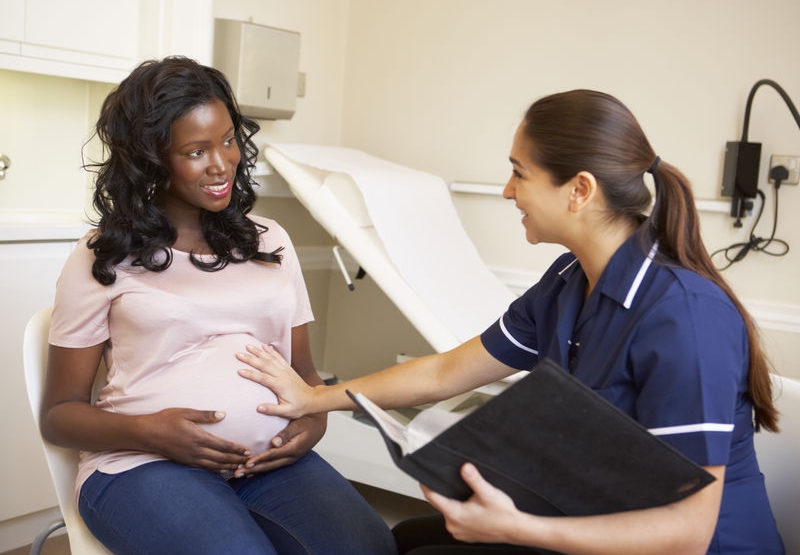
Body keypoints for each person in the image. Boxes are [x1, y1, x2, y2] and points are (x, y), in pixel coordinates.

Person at [235, 89, 785, 554]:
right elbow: (445, 373)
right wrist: (312, 398)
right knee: (406, 540)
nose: (507, 191)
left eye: (519, 174)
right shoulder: (569, 279)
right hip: (595, 514)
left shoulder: (685, 317)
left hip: (687, 545)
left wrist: (518, 528)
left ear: (580, 190)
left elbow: (689, 533)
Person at [40, 56, 397, 555]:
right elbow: (59, 414)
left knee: (370, 548)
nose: (221, 163)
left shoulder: (270, 240)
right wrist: (151, 433)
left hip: (267, 464)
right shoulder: (105, 255)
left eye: (228, 140)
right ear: (150, 158)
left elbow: (307, 379)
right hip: (141, 465)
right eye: (195, 150)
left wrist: (314, 423)